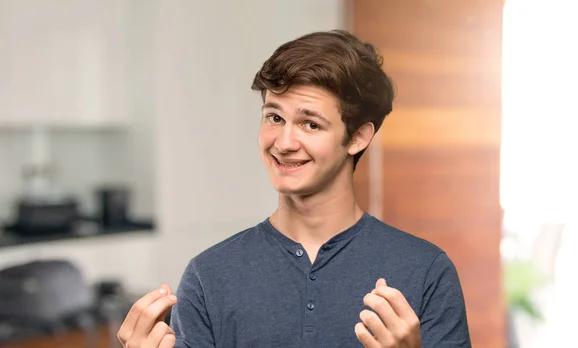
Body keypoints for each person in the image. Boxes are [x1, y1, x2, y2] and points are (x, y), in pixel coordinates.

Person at [117, 30, 471, 348]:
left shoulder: (426, 271)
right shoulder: (208, 275)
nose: (284, 142)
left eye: (310, 124)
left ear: (358, 137)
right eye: (274, 117)